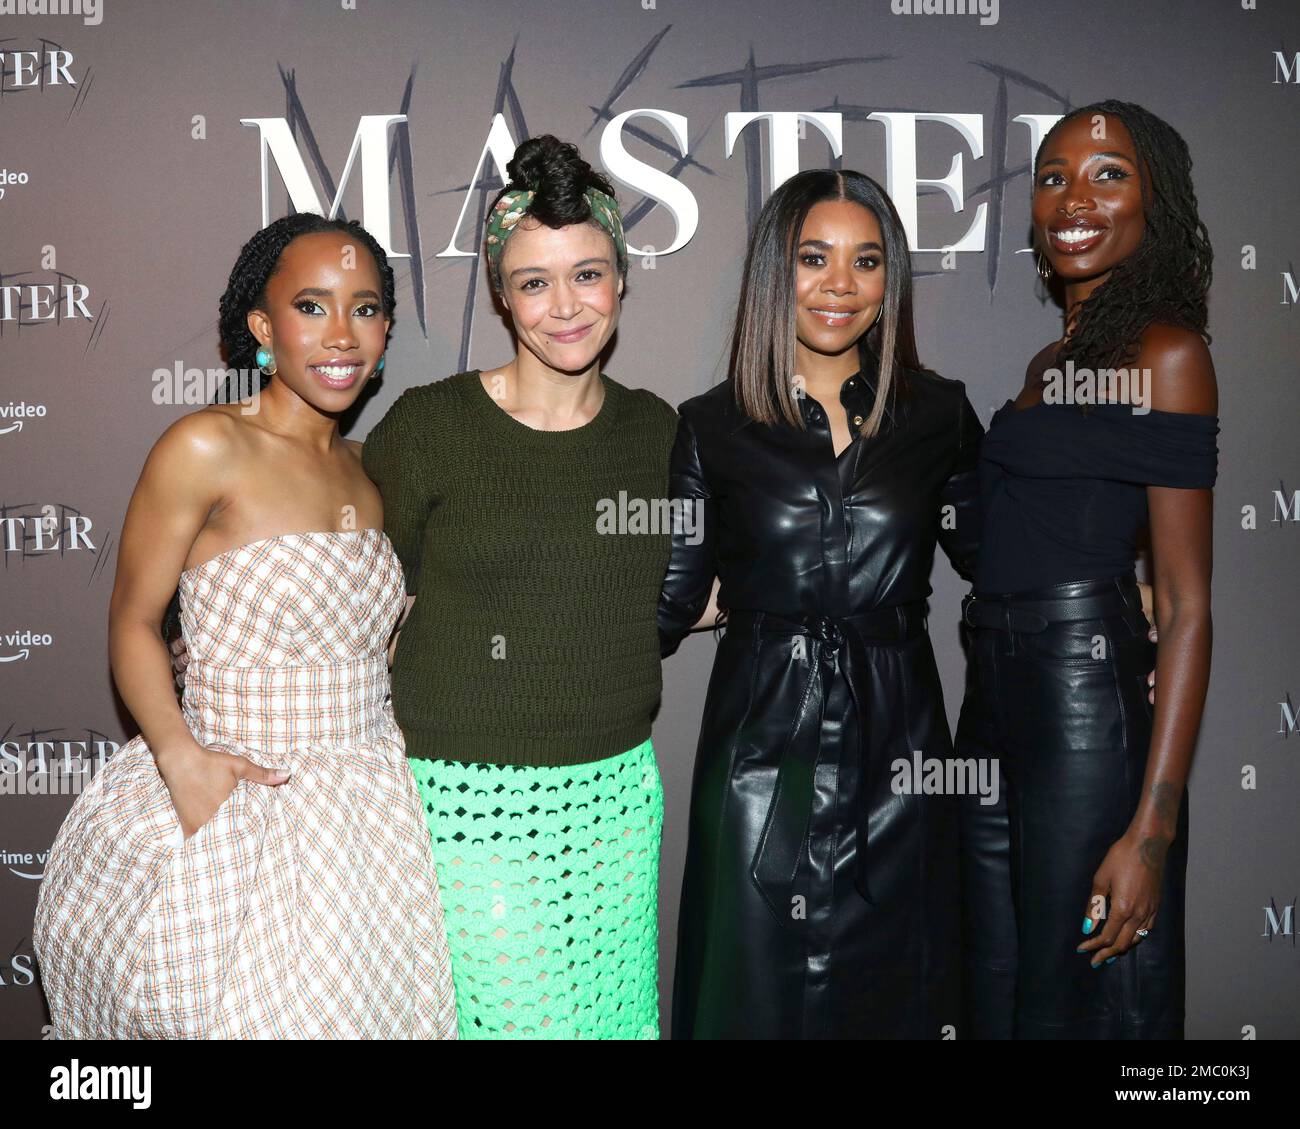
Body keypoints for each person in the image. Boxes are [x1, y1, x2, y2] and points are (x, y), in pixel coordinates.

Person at [33, 214, 458, 1040]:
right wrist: (181, 759)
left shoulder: (371, 470)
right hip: (238, 800)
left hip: (365, 820)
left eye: (365, 309)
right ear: (262, 327)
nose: (342, 335)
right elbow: (131, 620)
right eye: (311, 306)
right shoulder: (205, 446)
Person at [362, 135, 678, 1039]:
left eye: (589, 273)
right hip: (464, 807)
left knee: (607, 1020)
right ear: (502, 295)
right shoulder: (430, 427)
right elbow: (368, 613)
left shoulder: (656, 434)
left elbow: (693, 589)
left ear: (621, 279)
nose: (566, 306)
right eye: (535, 282)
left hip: (615, 802)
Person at [659, 169, 983, 1039]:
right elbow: (666, 605)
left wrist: (1125, 581)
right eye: (814, 258)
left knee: (900, 1001)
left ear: (891, 280)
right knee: (753, 1002)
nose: (841, 284)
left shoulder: (940, 414)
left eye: (866, 261)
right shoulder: (711, 424)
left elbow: (1004, 559)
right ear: (776, 272)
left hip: (903, 757)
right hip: (760, 758)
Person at [954, 100, 1217, 1039]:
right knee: (995, 974)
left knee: (1078, 992)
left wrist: (1152, 828)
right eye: (1055, 175)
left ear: (1159, 202)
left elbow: (1185, 605)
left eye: (1109, 174)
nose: (1076, 196)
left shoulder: (1170, 356)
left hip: (1081, 699)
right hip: (990, 694)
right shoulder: (1042, 361)